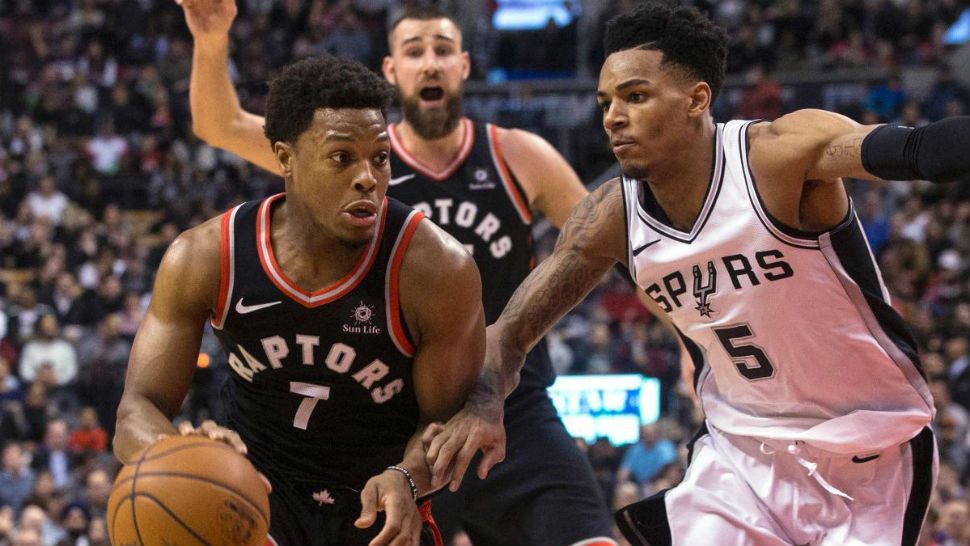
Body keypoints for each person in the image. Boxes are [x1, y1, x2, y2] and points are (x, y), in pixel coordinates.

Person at [430, 3, 970, 545]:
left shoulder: (775, 158)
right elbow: (510, 335)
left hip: (870, 446)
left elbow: (923, 150)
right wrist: (485, 403)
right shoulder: (609, 219)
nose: (613, 116)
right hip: (741, 456)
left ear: (697, 99)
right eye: (606, 102)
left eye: (635, 96)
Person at [177, 1, 617, 544]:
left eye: (441, 50)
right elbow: (219, 124)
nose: (429, 63)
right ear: (391, 70)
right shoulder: (342, 155)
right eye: (415, 51)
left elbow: (609, 241)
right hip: (394, 422)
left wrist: (692, 344)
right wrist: (212, 37)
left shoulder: (519, 156)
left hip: (505, 400)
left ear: (464, 65)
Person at [113, 55, 486, 546]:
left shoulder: (436, 269)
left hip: (378, 499)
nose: (367, 178)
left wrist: (410, 476)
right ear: (285, 158)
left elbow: (444, 423)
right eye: (341, 157)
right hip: (255, 494)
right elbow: (135, 411)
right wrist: (180, 452)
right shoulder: (206, 257)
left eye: (379, 157)